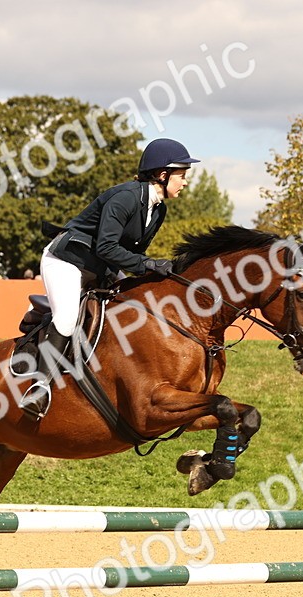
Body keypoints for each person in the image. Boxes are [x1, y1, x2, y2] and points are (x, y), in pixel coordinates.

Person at [20, 137, 197, 416]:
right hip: (67, 260)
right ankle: (38, 388)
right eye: (182, 175)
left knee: (133, 308)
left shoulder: (158, 210)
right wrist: (149, 264)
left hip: (101, 264)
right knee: (66, 320)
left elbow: (127, 254)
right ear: (163, 175)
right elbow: (107, 246)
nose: (185, 182)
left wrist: (153, 273)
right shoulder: (124, 197)